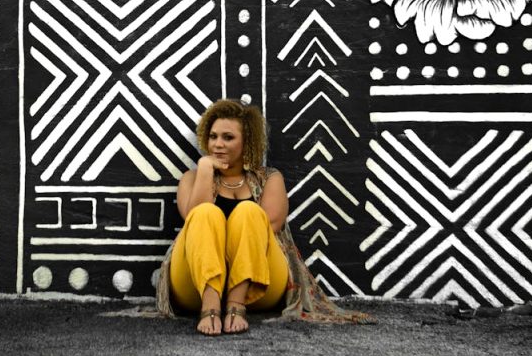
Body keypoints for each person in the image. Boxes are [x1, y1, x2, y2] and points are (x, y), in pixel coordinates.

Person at [155, 98, 373, 334]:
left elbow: (272, 225)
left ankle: (236, 305)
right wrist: (206, 170)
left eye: (228, 137)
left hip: (256, 285)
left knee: (249, 211)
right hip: (195, 284)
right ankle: (210, 306)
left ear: (247, 141)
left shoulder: (271, 178)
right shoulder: (193, 177)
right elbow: (192, 218)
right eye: (213, 136)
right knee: (205, 212)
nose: (217, 144)